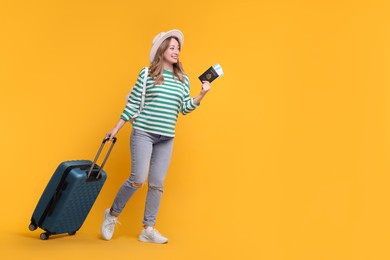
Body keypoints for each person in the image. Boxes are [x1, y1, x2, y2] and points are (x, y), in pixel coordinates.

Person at [100, 29, 212, 244]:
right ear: (161, 50)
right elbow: (133, 103)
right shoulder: (147, 74)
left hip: (166, 137)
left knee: (157, 184)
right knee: (138, 180)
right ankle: (112, 215)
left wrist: (201, 94)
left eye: (178, 48)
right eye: (172, 47)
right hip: (143, 132)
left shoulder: (183, 78)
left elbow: (184, 109)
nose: (176, 51)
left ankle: (148, 229)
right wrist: (116, 128)